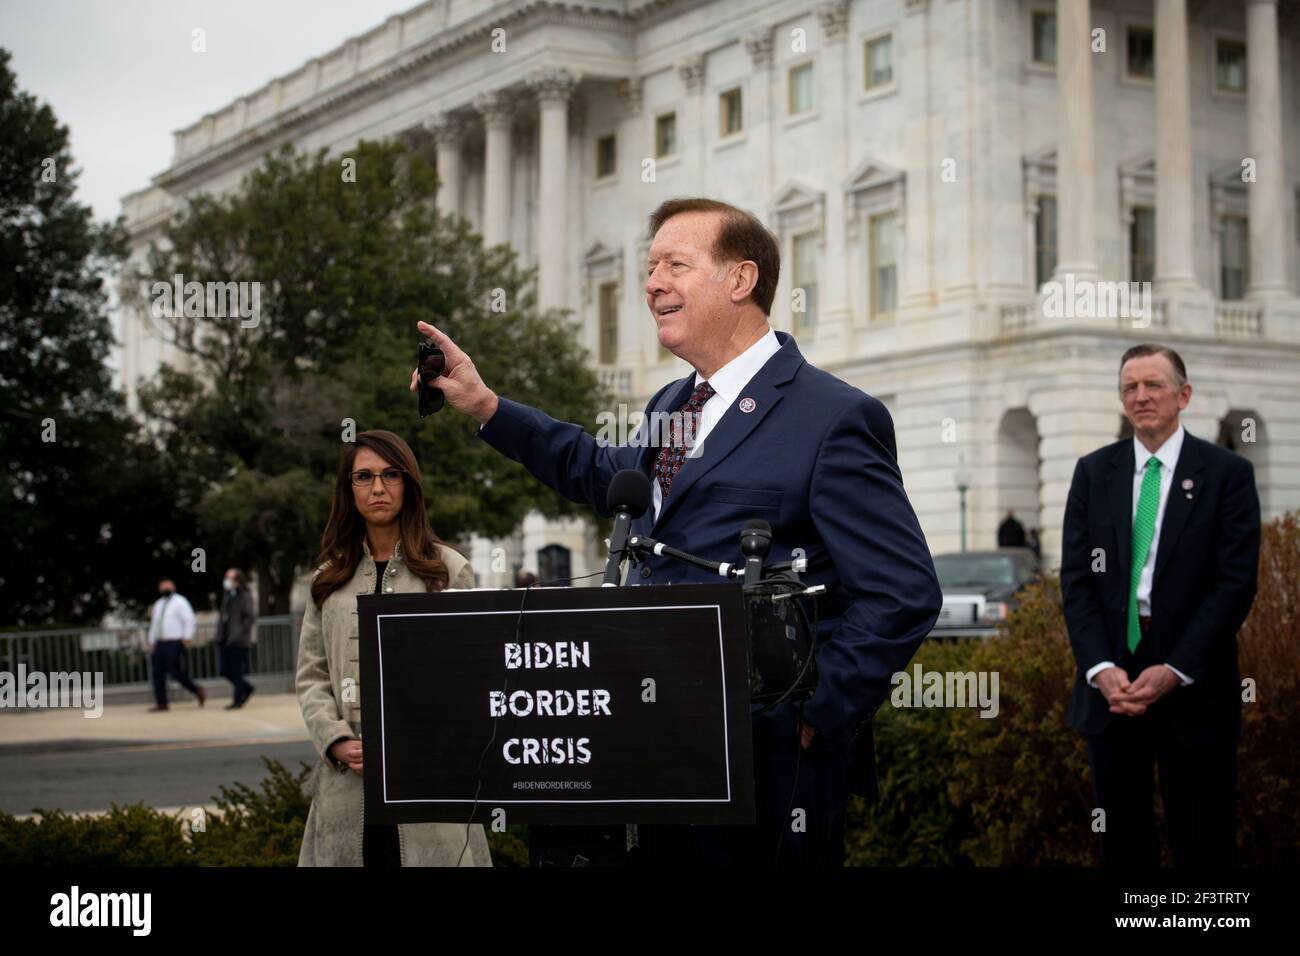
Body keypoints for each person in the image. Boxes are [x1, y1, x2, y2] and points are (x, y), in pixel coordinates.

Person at [410, 197, 941, 866]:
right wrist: (488, 407)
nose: (653, 281)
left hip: (771, 770)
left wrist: (813, 713)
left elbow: (904, 591)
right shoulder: (674, 405)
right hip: (661, 745)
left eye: (675, 265)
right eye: (650, 265)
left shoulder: (832, 417)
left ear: (740, 281)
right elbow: (599, 471)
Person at [1061, 344, 1260, 866]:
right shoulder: (1092, 473)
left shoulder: (1226, 475)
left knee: (1203, 839)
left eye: (1154, 385)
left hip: (1194, 680)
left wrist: (1175, 668)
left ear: (1184, 395)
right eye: (1130, 387)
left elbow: (1235, 584)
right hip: (1113, 686)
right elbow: (1077, 581)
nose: (1141, 397)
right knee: (1121, 842)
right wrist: (1100, 668)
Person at [295, 429, 492, 867]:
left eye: (390, 475)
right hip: (347, 789)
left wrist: (416, 739)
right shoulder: (327, 580)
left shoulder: (447, 572)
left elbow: (468, 679)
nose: (378, 488)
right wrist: (335, 740)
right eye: (363, 477)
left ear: (409, 484)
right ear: (349, 490)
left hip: (430, 790)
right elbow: (312, 677)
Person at [147, 578, 204, 711]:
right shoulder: (158, 604)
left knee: (175, 672)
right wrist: (151, 640)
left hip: (174, 642)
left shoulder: (180, 602)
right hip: (160, 642)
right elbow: (154, 624)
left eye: (168, 586)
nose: (165, 589)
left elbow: (189, 619)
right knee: (157, 673)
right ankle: (162, 703)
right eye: (163, 587)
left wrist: (186, 637)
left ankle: (196, 689)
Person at [216, 568, 256, 709]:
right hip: (225, 638)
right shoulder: (227, 594)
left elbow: (249, 617)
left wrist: (238, 634)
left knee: (237, 671)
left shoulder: (244, 595)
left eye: (229, 577)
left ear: (237, 580)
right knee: (225, 670)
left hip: (237, 640)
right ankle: (247, 688)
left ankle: (237, 700)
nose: (226, 580)